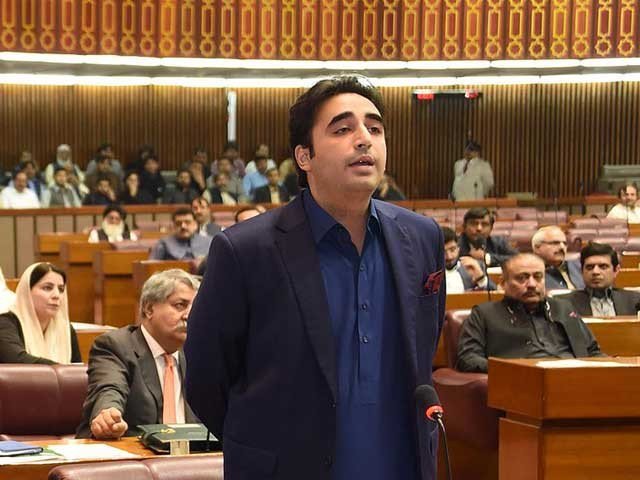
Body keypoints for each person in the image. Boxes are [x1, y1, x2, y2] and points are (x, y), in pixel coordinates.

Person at [185, 76, 445, 480]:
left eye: (374, 128)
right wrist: (264, 448)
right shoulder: (245, 250)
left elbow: (425, 345)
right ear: (304, 156)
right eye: (342, 129)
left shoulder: (422, 236)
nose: (364, 140)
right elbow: (206, 378)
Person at [76, 269, 200, 439]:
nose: (189, 315)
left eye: (195, 307)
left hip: (191, 452)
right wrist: (108, 415)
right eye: (180, 305)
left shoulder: (198, 351)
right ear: (149, 309)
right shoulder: (116, 346)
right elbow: (109, 388)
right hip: (133, 451)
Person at [456, 253, 603, 373]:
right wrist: (511, 370)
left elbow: (592, 351)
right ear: (503, 283)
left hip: (576, 377)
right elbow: (468, 358)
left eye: (538, 277)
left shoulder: (563, 308)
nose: (532, 284)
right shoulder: (484, 314)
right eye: (522, 278)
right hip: (522, 383)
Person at [0, 262, 81, 364]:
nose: (56, 295)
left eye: (61, 289)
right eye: (47, 288)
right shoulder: (5, 324)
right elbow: (16, 360)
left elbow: (76, 368)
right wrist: (62, 369)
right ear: (27, 292)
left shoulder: (66, 329)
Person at [560, 242, 640, 316]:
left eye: (603, 267)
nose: (595, 272)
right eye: (589, 267)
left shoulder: (635, 300)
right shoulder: (563, 303)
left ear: (616, 270)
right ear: (582, 271)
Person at [443, 227, 494, 293]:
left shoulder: (473, 266)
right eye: (443, 252)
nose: (449, 256)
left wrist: (481, 279)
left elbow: (495, 294)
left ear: (458, 248)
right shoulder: (431, 273)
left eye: (452, 250)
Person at [532, 226, 584, 290]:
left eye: (565, 243)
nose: (562, 247)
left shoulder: (579, 266)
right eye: (555, 243)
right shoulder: (530, 273)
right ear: (537, 247)